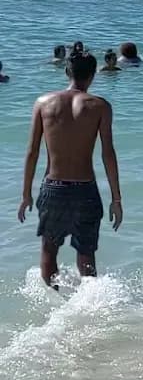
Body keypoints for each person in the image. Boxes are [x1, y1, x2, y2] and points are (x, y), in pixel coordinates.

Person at [17, 50, 123, 287]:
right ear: (93, 75)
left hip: (53, 187)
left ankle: (55, 303)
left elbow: (32, 152)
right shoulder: (100, 106)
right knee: (86, 255)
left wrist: (26, 194)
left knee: (49, 250)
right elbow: (108, 154)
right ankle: (88, 308)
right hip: (86, 189)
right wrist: (116, 198)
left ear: (67, 72)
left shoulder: (43, 103)